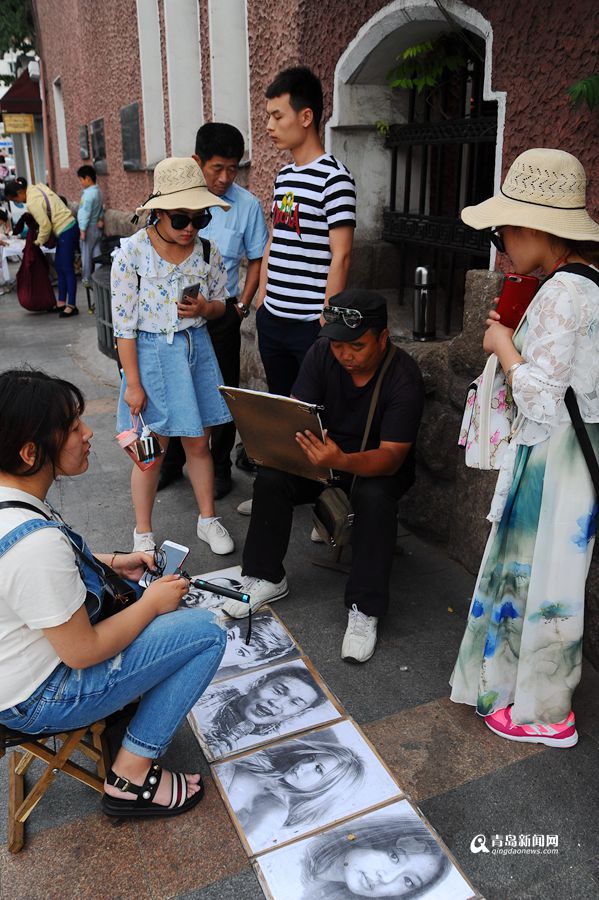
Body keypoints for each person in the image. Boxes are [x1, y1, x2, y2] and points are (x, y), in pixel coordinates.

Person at [0, 368, 226, 818]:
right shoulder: (33, 544)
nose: (88, 435)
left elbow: (41, 577)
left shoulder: (11, 502)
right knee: (205, 632)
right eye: (72, 428)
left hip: (14, 676)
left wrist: (111, 561)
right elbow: (83, 652)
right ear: (30, 453)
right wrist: (150, 604)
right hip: (38, 698)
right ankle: (131, 776)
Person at [450, 148, 599, 748]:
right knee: (544, 578)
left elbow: (541, 396)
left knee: (547, 581)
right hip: (571, 450)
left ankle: (547, 713)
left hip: (557, 455)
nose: (502, 239)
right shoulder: (581, 284)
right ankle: (529, 696)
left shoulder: (565, 291)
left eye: (505, 226)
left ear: (538, 227)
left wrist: (504, 346)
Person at [224, 289, 425, 663]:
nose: (345, 355)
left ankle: (365, 608)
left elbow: (393, 456)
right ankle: (266, 575)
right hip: (323, 455)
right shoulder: (322, 354)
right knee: (272, 476)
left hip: (375, 464)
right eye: (337, 345)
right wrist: (276, 443)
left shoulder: (404, 377)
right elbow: (298, 413)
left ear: (383, 338)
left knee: (375, 499)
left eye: (357, 346)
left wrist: (343, 459)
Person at [111, 157, 235, 556]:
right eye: (180, 219)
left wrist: (204, 310)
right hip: (149, 354)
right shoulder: (132, 253)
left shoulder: (208, 250)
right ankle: (143, 533)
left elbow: (222, 304)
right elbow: (124, 326)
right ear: (158, 212)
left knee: (200, 442)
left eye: (199, 219)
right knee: (151, 450)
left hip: (195, 351)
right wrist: (133, 383)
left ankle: (207, 518)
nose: (189, 229)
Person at [158, 123, 269, 498]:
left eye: (233, 168)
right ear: (197, 162)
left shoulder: (247, 206)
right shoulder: (174, 201)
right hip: (176, 319)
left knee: (222, 393)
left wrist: (241, 306)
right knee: (175, 388)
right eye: (216, 168)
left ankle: (220, 467)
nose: (224, 177)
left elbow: (256, 260)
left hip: (221, 317)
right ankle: (171, 463)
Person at [256, 66, 356, 397]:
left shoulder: (335, 178)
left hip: (309, 325)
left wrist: (325, 322)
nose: (269, 126)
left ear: (305, 116)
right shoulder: (284, 175)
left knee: (312, 413)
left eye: (277, 115)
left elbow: (341, 254)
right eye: (268, 116)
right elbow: (276, 238)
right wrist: (262, 297)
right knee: (280, 410)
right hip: (272, 318)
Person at [219, 737, 364, 844]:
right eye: (311, 758)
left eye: (318, 769)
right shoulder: (264, 766)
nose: (303, 765)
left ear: (326, 789)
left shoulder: (276, 809)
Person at [301, 814, 451, 899]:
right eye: (394, 857)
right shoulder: (307, 849)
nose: (386, 879)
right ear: (377, 839)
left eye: (409, 881)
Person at [200, 663, 328, 755]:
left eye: (295, 703)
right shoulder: (208, 695)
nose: (277, 703)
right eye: (278, 691)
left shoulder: (267, 750)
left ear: (301, 713)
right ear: (259, 682)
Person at [4, 177, 79, 317]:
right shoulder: (35, 188)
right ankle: (61, 302)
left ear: (20, 192)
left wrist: (37, 242)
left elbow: (45, 225)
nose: (18, 203)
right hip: (67, 229)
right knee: (59, 267)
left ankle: (71, 306)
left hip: (66, 229)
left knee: (66, 268)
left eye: (16, 200)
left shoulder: (32, 202)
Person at [76, 164, 104, 287]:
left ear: (87, 178)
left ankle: (86, 280)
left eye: (81, 180)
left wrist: (82, 230)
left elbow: (84, 213)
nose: (81, 183)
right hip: (97, 228)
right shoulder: (98, 192)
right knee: (97, 253)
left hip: (88, 229)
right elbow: (101, 208)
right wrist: (101, 219)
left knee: (86, 255)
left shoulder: (88, 195)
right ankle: (99, 278)